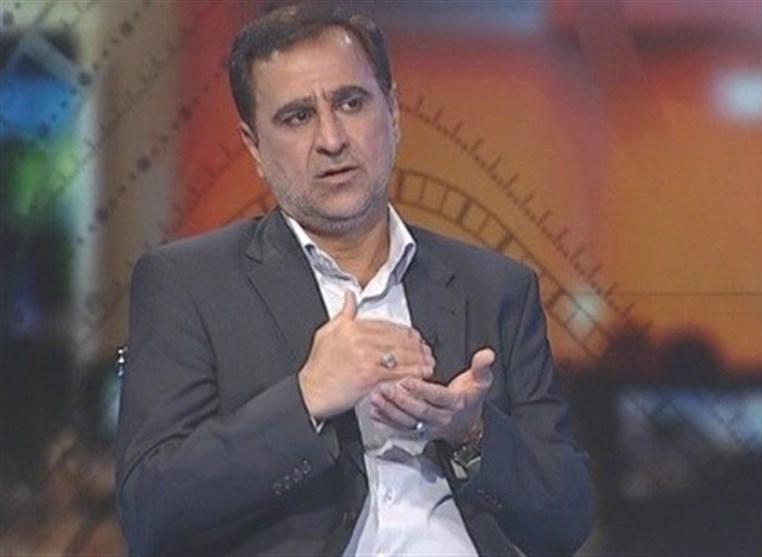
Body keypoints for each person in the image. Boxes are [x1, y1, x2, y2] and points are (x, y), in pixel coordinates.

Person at [115, 4, 592, 556]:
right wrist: (306, 399)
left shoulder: (496, 288)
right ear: (253, 147)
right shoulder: (190, 284)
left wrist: (472, 432)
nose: (332, 138)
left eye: (351, 102)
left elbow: (567, 520)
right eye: (298, 116)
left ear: (393, 112)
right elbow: (152, 512)